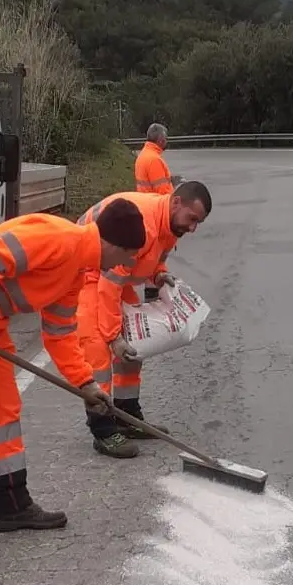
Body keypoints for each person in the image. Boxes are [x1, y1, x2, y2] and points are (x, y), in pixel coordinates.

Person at [0, 200, 147, 566]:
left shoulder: (77, 271)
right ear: (114, 244)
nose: (126, 264)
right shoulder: (58, 239)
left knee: (3, 415)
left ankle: (12, 505)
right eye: (129, 254)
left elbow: (59, 333)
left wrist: (85, 384)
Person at [75, 181, 212, 458]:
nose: (194, 227)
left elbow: (152, 258)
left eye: (200, 222)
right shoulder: (143, 226)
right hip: (87, 269)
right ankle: (102, 430)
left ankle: (128, 417)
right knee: (99, 350)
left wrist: (158, 274)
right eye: (193, 219)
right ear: (176, 203)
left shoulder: (171, 225)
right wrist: (113, 337)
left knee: (134, 344)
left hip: (113, 273)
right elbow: (108, 286)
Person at [135, 123, 175, 195]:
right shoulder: (154, 160)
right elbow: (163, 191)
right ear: (160, 140)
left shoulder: (143, 154)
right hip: (156, 204)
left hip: (146, 201)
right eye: (166, 138)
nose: (166, 141)